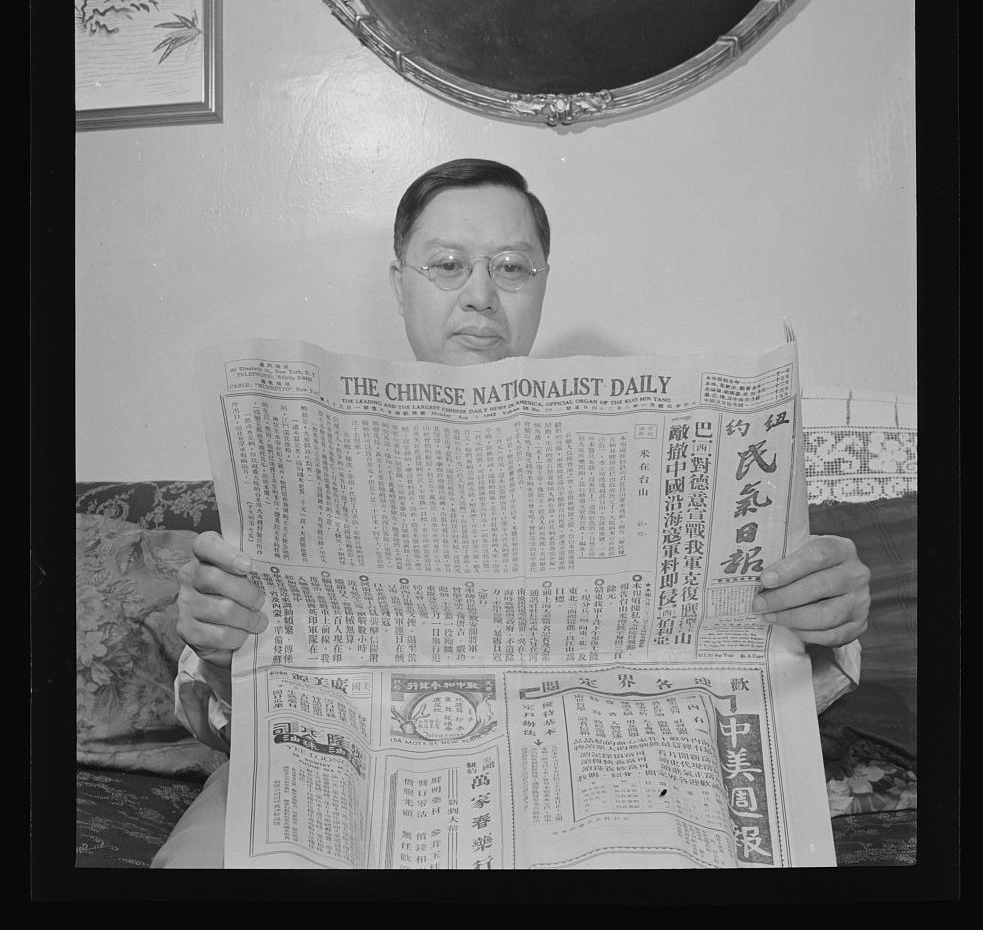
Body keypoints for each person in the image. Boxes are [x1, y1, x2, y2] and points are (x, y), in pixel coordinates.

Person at [152, 159, 870, 868]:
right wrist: (217, 642)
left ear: (541, 284)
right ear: (398, 283)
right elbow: (221, 717)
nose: (479, 296)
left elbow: (756, 684)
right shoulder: (297, 449)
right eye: (446, 265)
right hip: (347, 777)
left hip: (592, 782)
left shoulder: (648, 444)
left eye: (511, 268)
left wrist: (820, 620)